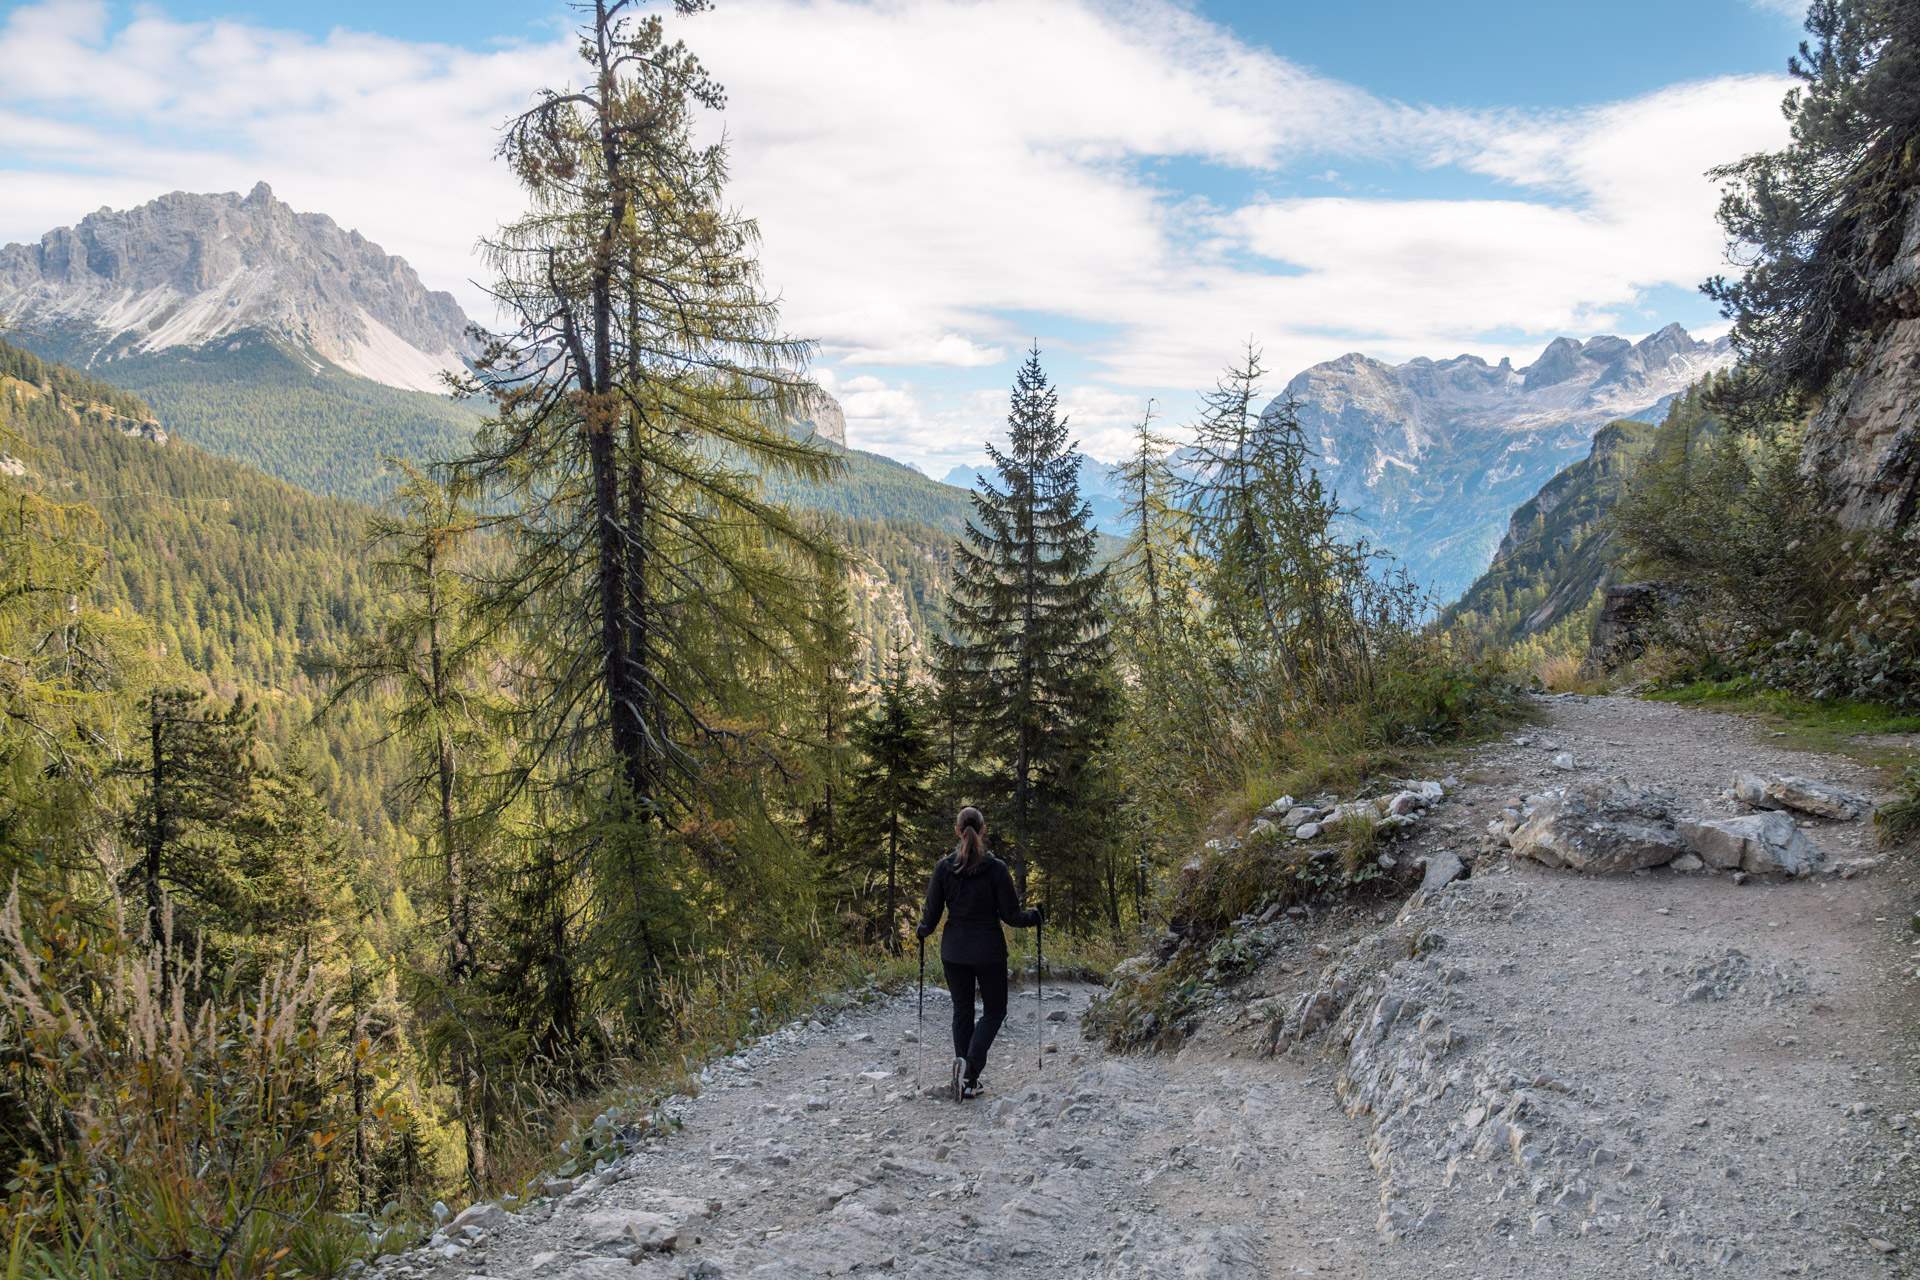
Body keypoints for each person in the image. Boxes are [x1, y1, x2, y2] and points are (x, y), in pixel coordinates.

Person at [915, 805, 1042, 1100]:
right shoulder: (996, 869)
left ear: (957, 831)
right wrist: (1035, 917)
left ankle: (965, 1076)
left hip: (954, 951)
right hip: (988, 951)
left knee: (963, 1011)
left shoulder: (944, 868)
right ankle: (970, 1073)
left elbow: (930, 918)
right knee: (995, 1011)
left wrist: (922, 930)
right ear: (983, 830)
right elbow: (1011, 916)